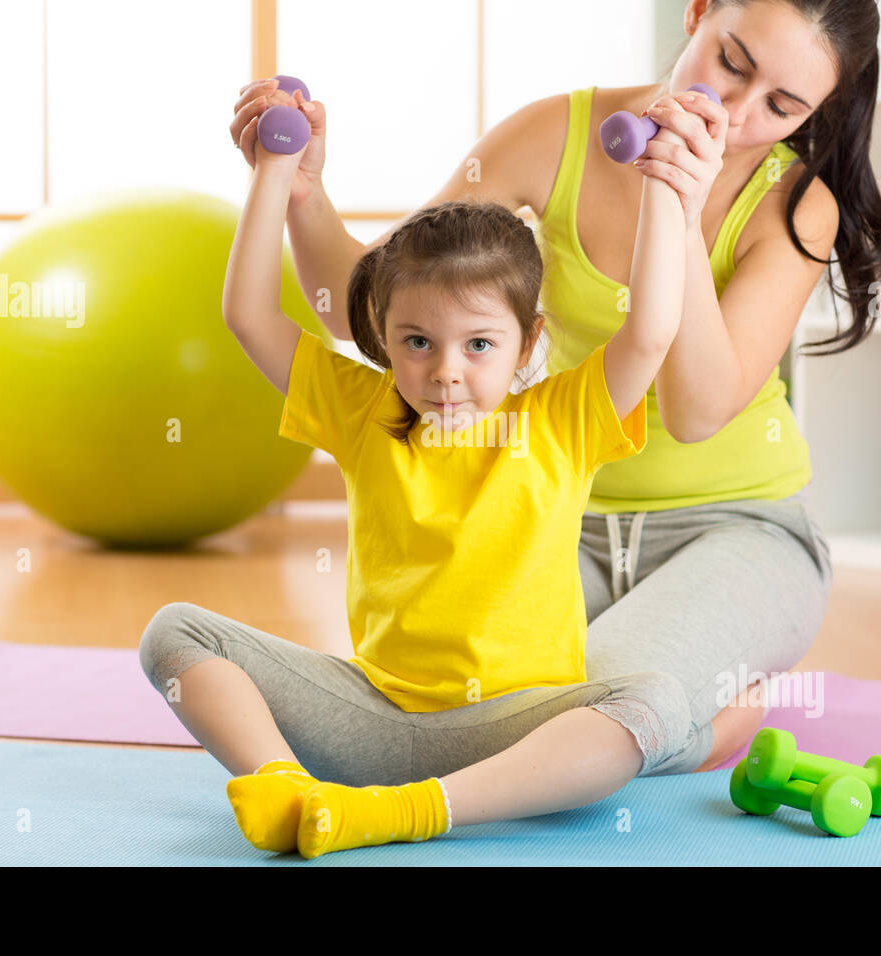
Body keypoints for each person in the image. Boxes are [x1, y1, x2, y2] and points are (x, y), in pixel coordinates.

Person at [229, 0, 881, 781]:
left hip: (737, 526)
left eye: (782, 107)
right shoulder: (555, 134)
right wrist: (303, 191)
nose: (738, 112)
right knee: (471, 709)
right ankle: (679, 702)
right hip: (557, 516)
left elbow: (695, 412)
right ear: (699, 14)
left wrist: (679, 216)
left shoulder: (796, 204)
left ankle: (721, 726)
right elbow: (370, 303)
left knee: (591, 719)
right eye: (732, 62)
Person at [139, 62, 699, 856]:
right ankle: (286, 787)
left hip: (514, 735)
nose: (445, 372)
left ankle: (407, 813)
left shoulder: (566, 417)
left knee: (655, 704)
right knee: (173, 633)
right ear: (384, 338)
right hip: (371, 724)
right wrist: (275, 172)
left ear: (528, 343)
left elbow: (649, 331)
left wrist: (666, 188)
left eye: (479, 345)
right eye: (416, 343)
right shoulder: (362, 407)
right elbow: (247, 313)